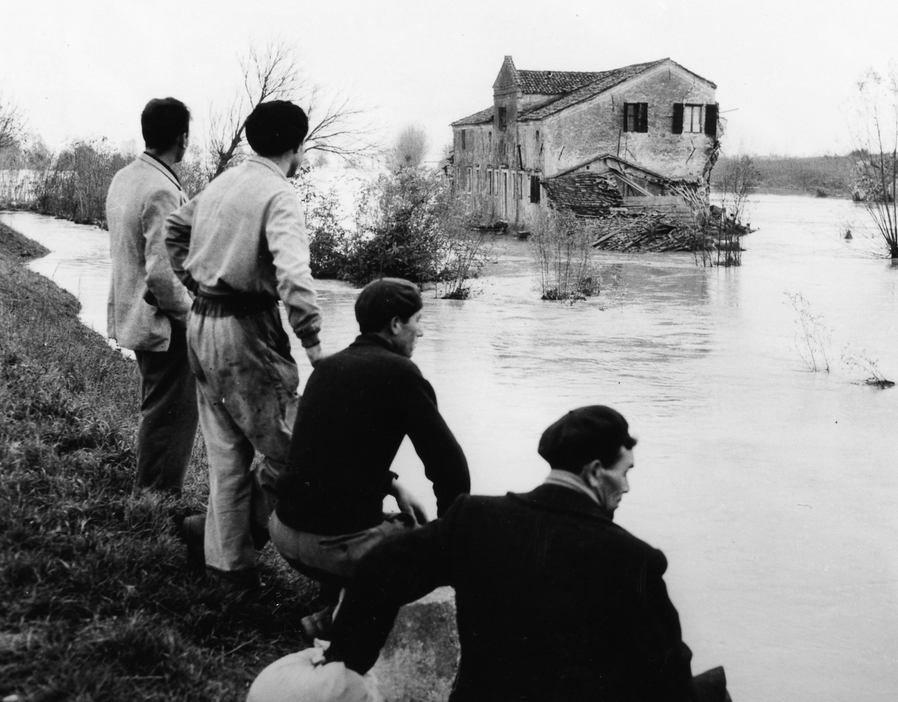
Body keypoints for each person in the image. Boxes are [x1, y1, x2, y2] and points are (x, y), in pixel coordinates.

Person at [317, 406, 729, 702]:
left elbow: (379, 570)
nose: (627, 488)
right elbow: (667, 679)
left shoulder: (474, 519)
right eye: (626, 473)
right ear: (595, 472)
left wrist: (346, 663)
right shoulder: (632, 559)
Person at [165, 100, 325, 588]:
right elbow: (294, 276)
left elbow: (175, 229)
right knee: (297, 456)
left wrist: (192, 283)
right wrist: (315, 346)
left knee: (226, 454)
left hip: (202, 324)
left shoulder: (223, 183)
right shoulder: (279, 195)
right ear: (297, 147)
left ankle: (225, 563)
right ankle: (237, 538)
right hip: (246, 334)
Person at [271, 277, 471, 633]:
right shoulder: (401, 373)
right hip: (332, 549)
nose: (421, 333)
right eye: (419, 321)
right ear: (396, 324)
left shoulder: (327, 368)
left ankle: (334, 603)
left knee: (360, 512)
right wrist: (451, 540)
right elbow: (450, 468)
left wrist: (391, 483)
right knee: (433, 546)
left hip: (284, 533)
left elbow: (325, 453)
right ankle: (340, 619)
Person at [104, 97, 198, 495]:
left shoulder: (125, 177)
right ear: (182, 138)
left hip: (133, 313)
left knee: (158, 409)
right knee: (171, 415)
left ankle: (151, 494)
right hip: (163, 324)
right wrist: (193, 321)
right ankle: (156, 502)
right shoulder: (162, 189)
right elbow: (162, 274)